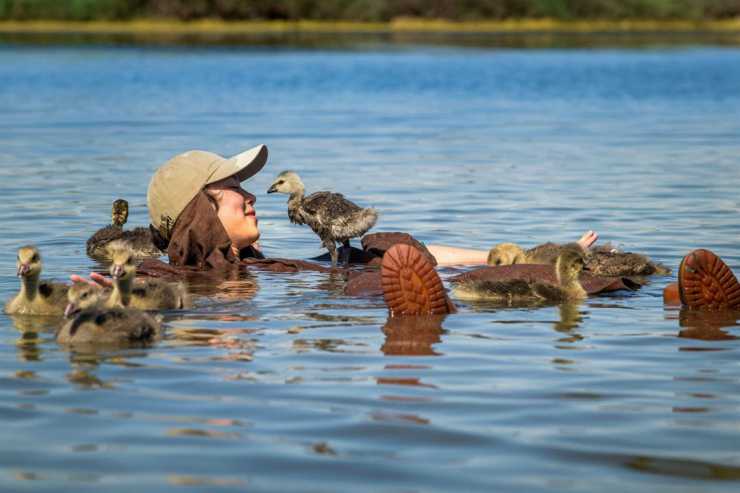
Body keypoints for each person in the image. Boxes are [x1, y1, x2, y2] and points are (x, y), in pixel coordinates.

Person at [72, 144, 599, 291]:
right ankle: (414, 318)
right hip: (362, 299)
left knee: (383, 253)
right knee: (380, 279)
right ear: (198, 214)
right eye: (234, 191)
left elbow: (426, 254)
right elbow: (133, 289)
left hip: (342, 283)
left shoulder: (270, 266)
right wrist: (104, 299)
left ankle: (560, 271)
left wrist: (531, 253)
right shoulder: (175, 279)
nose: (251, 197)